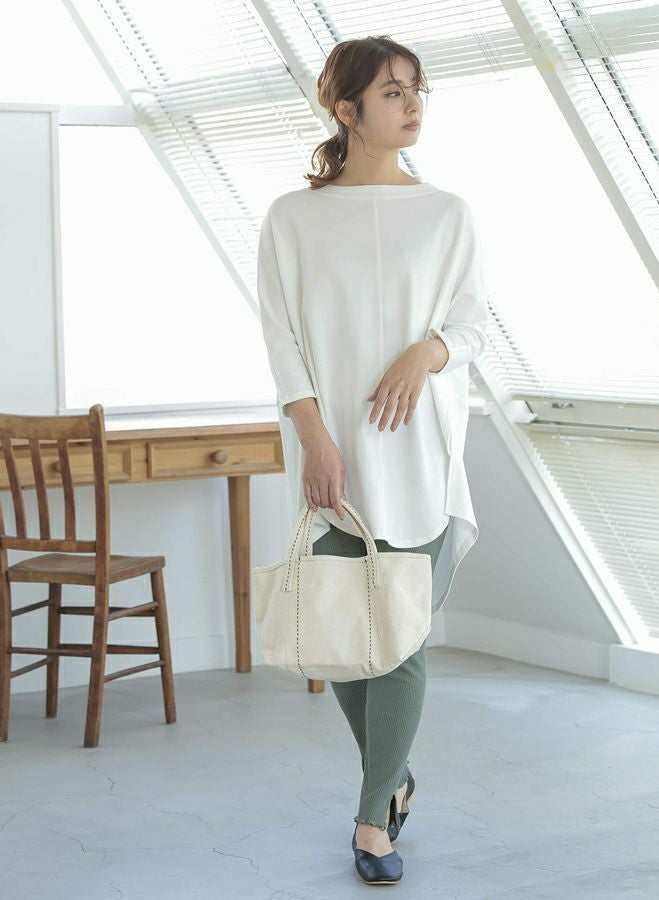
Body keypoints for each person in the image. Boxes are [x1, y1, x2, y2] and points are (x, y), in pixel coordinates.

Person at [257, 35, 490, 884]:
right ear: (346, 108)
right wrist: (314, 438)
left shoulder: (448, 213)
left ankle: (372, 821)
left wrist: (427, 353)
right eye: (393, 92)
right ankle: (393, 778)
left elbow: (472, 325)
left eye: (417, 89)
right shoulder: (294, 218)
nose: (413, 104)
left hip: (418, 452)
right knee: (340, 639)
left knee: (398, 639)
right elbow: (281, 337)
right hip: (334, 456)